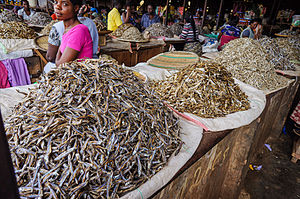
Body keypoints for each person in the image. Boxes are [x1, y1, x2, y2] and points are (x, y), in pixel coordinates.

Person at [51, 0, 93, 66]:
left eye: (65, 4)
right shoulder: (68, 29)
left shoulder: (79, 31)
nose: (57, 7)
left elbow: (61, 65)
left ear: (76, 8)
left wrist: (57, 60)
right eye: (56, 2)